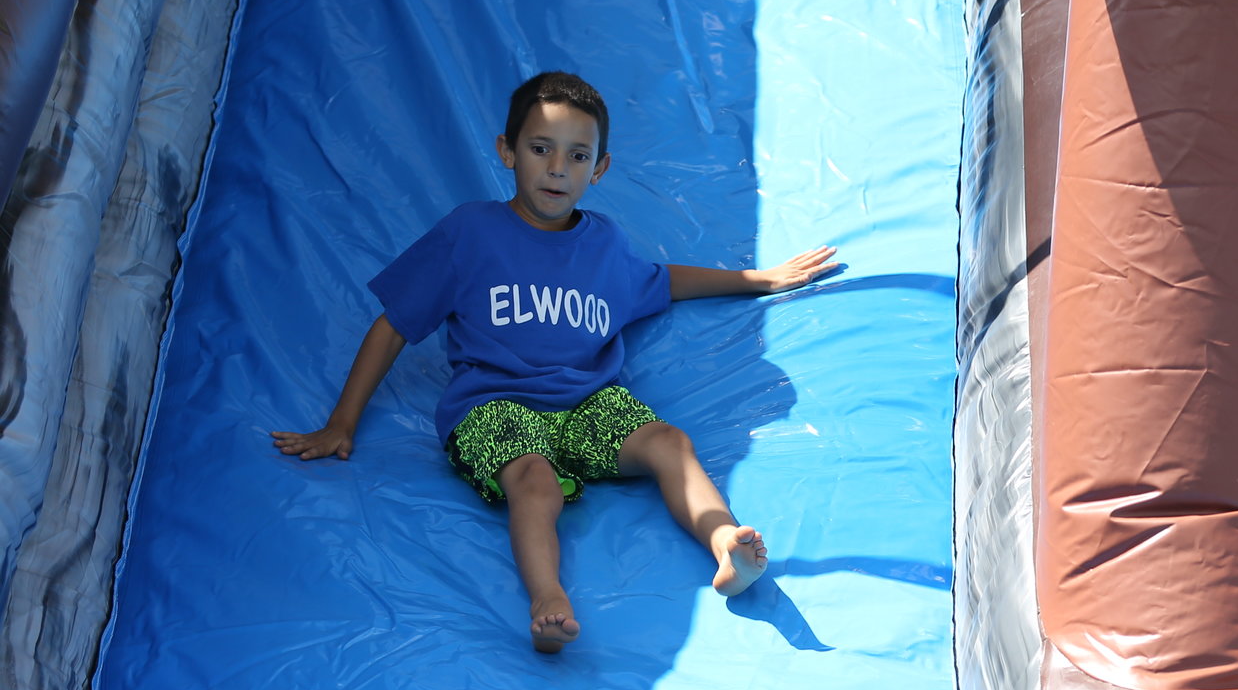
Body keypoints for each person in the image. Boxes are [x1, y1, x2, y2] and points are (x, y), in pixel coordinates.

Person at [272, 70, 837, 653]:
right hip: (494, 405)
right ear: (507, 151)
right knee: (534, 480)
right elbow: (394, 325)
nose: (557, 168)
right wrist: (341, 424)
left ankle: (725, 545)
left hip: (587, 402)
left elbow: (661, 281)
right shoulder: (472, 232)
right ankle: (547, 598)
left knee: (669, 442)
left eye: (577, 155)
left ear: (600, 168)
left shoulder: (604, 245)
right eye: (540, 149)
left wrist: (758, 279)